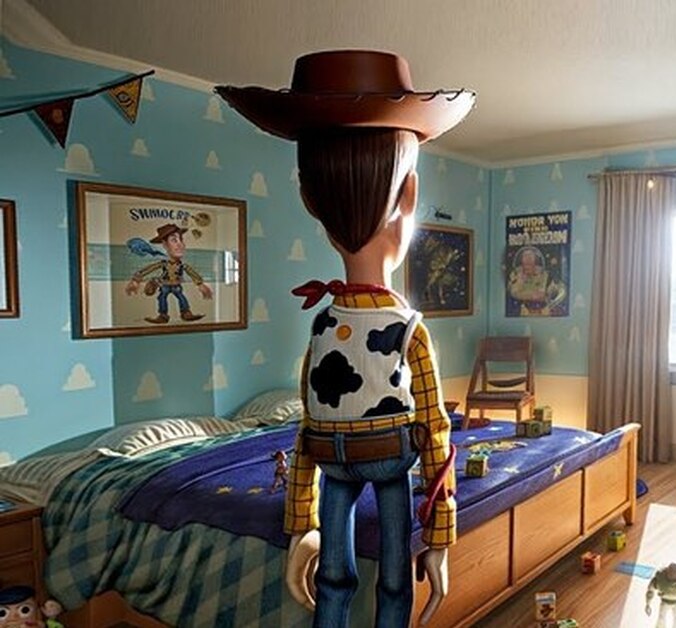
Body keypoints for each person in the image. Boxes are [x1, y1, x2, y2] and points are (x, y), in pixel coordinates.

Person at [217, 50, 474, 628]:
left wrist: (300, 523)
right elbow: (435, 431)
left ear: (310, 201)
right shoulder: (407, 328)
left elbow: (308, 426)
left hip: (334, 466)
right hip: (380, 462)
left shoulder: (322, 323)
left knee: (339, 577)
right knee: (391, 575)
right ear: (409, 196)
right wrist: (439, 535)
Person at [125, 223, 213, 324]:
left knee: (181, 297)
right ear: (165, 244)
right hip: (165, 285)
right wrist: (136, 279)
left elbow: (191, 272)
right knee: (162, 298)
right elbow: (150, 269)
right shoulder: (163, 264)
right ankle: (163, 315)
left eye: (181, 240)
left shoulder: (182, 265)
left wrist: (200, 284)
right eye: (174, 240)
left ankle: (186, 312)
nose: (180, 244)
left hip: (176, 285)